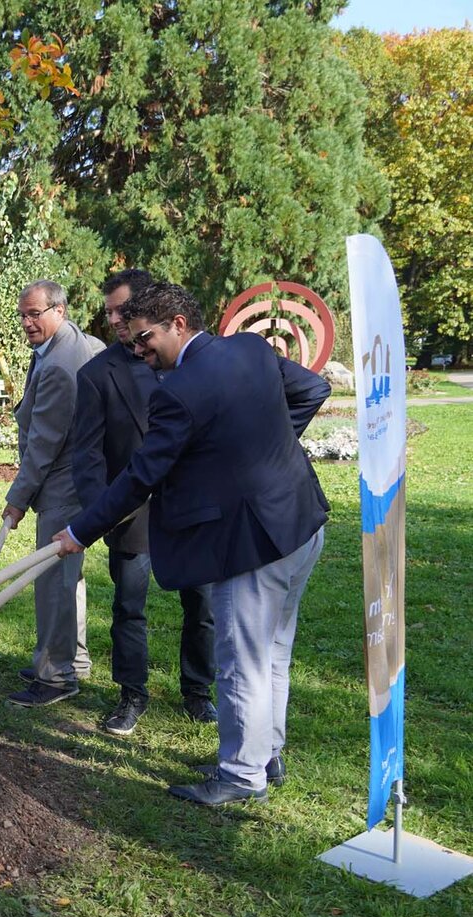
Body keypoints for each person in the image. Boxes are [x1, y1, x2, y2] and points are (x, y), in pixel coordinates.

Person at [56, 282, 329, 806]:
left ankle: (241, 775)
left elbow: (140, 477)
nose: (139, 350)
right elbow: (311, 390)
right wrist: (257, 449)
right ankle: (265, 753)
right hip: (302, 522)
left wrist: (78, 531)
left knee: (242, 658)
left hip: (254, 543)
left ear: (179, 324)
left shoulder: (176, 393)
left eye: (145, 338)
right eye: (134, 341)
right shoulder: (251, 348)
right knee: (273, 651)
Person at [71, 269, 217, 736]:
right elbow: (88, 453)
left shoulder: (192, 361)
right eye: (109, 311)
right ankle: (132, 694)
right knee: (128, 607)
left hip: (194, 508)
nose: (114, 319)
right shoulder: (97, 374)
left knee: (204, 605)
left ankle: (198, 692)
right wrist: (102, 514)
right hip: (131, 513)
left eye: (121, 309)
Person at [3, 280, 104, 708]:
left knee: (53, 581)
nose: (27, 322)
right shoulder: (74, 342)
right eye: (23, 315)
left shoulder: (63, 363)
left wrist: (17, 498)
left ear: (59, 311)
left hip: (65, 483)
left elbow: (44, 441)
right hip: (75, 478)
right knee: (68, 577)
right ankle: (72, 660)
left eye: (35, 314)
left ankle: (56, 676)